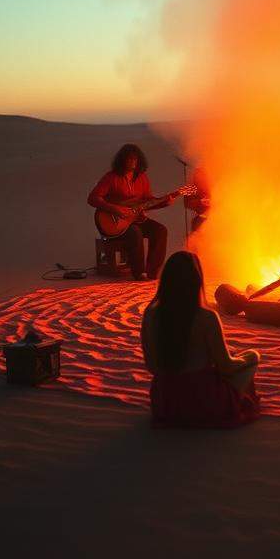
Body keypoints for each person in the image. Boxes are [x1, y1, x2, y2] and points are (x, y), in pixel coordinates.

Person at [141, 251, 261, 428]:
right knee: (250, 358)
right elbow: (226, 366)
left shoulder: (150, 315)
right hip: (202, 399)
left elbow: (152, 366)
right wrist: (249, 358)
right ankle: (231, 402)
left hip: (165, 400)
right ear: (196, 281)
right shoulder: (206, 317)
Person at [88, 144, 172, 280]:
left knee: (160, 230)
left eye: (135, 159)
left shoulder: (142, 178)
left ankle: (152, 273)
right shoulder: (111, 177)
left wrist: (164, 202)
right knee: (135, 233)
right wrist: (114, 208)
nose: (133, 162)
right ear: (122, 160)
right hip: (114, 224)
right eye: (130, 159)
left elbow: (148, 203)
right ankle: (139, 273)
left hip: (135, 219)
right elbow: (92, 198)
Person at [184, 166, 211, 235]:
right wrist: (200, 201)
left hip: (214, 217)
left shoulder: (211, 189)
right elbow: (187, 204)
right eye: (199, 175)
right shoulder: (190, 189)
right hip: (201, 218)